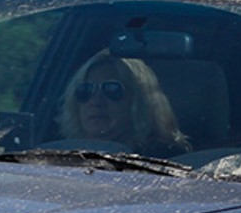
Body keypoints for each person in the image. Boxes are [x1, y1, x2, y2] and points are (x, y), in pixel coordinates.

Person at [56, 50, 191, 155]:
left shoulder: (166, 159)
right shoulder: (58, 158)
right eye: (85, 90)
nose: (95, 101)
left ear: (140, 101)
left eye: (112, 90)